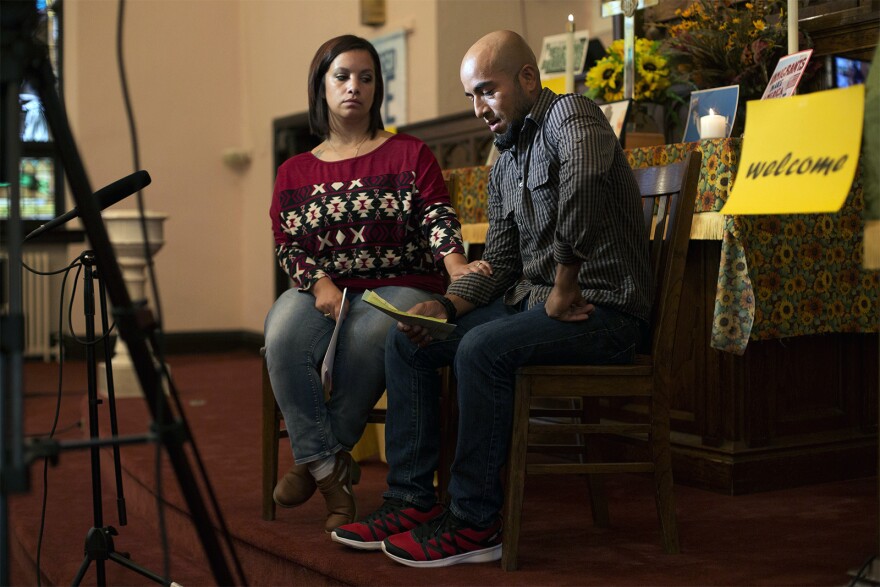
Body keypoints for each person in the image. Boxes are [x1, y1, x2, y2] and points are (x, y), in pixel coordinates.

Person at [332, 30, 652, 567]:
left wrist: (566, 279)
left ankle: (476, 523)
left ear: (528, 78)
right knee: (410, 341)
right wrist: (446, 306)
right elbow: (502, 264)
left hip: (605, 311)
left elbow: (587, 179)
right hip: (539, 305)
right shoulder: (504, 158)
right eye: (471, 98)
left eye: (488, 90)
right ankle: (410, 499)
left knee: (480, 348)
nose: (479, 108)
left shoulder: (573, 115)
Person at [265, 34, 487, 534]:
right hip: (323, 285)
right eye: (342, 76)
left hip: (402, 282)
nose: (354, 87)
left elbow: (437, 215)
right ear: (321, 86)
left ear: (377, 88)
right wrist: (319, 284)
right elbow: (288, 243)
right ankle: (329, 467)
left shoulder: (409, 153)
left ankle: (317, 461)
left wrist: (455, 268)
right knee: (280, 336)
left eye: (366, 78)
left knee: (373, 332)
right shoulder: (293, 171)